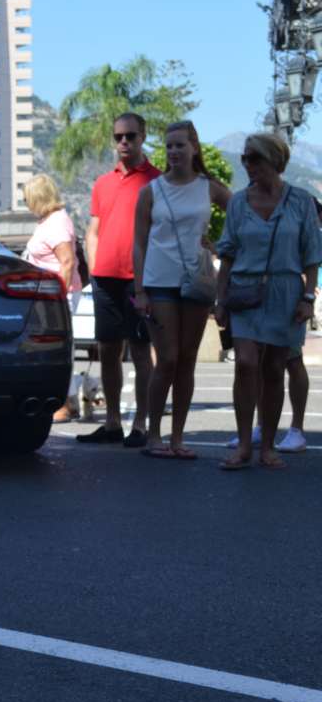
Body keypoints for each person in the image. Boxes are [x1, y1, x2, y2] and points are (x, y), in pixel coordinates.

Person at [215, 133, 322, 470]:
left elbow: (311, 256)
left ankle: (268, 446)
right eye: (245, 159)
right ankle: (245, 443)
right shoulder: (238, 202)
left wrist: (308, 298)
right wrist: (220, 299)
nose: (247, 165)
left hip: (285, 292)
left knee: (275, 368)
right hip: (245, 291)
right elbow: (227, 254)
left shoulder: (301, 201)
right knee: (246, 363)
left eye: (254, 159)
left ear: (275, 160)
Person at [132, 121, 230, 459]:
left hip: (197, 281)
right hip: (159, 282)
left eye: (180, 145)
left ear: (194, 148)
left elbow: (240, 220)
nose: (174, 152)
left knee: (187, 360)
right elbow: (139, 243)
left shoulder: (210, 187)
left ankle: (177, 438)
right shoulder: (151, 191)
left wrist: (219, 246)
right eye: (169, 146)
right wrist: (139, 289)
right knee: (168, 358)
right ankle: (154, 435)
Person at [77, 112, 159, 447]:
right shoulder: (102, 183)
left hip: (140, 281)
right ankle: (112, 423)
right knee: (108, 350)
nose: (123, 142)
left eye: (130, 136)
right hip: (105, 281)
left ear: (143, 137)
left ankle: (140, 424)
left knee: (141, 352)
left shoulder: (156, 181)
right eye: (118, 137)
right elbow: (92, 232)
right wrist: (95, 271)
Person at [22, 173, 82, 421]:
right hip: (49, 296)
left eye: (27, 199)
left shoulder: (56, 223)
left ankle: (63, 404)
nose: (26, 204)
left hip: (56, 297)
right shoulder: (50, 221)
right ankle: (65, 402)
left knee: (57, 350)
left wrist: (58, 300)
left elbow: (66, 263)